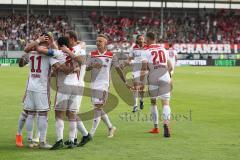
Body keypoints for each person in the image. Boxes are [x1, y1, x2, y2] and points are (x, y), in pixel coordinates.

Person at [18, 33, 60, 148]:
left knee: (31, 113)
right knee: (43, 114)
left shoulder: (31, 53)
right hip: (41, 88)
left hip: (31, 87)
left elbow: (21, 61)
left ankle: (30, 140)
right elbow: (58, 67)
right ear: (47, 42)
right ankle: (42, 142)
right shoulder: (49, 55)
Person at [87, 34, 131, 138]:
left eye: (100, 41)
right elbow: (87, 67)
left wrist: (125, 82)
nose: (98, 43)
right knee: (97, 108)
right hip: (93, 84)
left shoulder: (111, 55)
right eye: (97, 41)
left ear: (105, 43)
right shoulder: (92, 54)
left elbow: (118, 69)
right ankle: (111, 127)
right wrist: (92, 66)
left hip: (104, 85)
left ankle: (91, 134)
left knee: (97, 108)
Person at [139, 32, 173, 137]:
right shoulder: (163, 49)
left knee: (153, 102)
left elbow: (144, 68)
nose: (144, 42)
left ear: (148, 40)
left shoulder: (145, 51)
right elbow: (170, 67)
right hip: (165, 77)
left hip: (153, 77)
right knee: (166, 103)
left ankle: (156, 127)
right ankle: (166, 124)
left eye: (145, 40)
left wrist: (141, 83)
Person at [123, 35, 147, 112]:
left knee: (142, 89)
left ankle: (141, 100)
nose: (140, 40)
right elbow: (129, 59)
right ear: (137, 40)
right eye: (139, 39)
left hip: (144, 70)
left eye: (142, 39)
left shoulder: (147, 48)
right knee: (136, 87)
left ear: (144, 40)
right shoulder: (133, 48)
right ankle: (135, 105)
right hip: (136, 70)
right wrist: (126, 63)